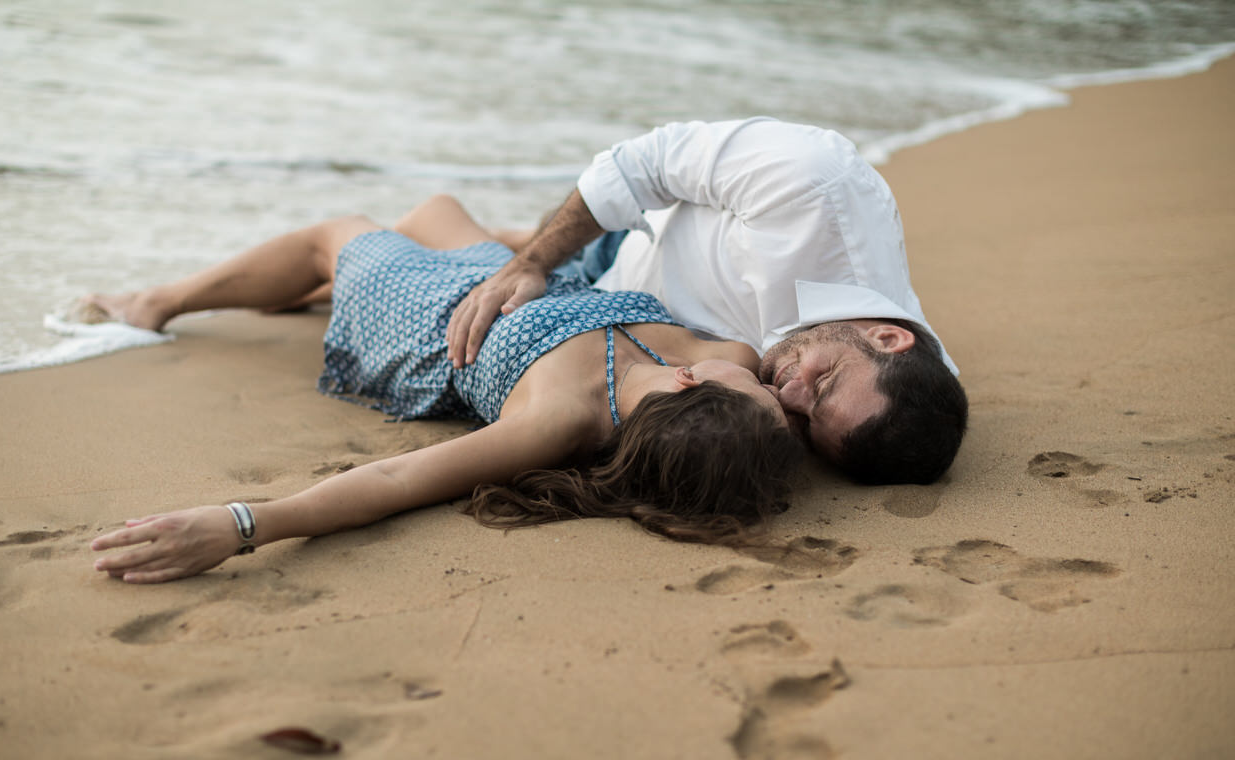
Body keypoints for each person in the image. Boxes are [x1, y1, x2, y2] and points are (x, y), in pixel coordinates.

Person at [85, 196, 803, 583]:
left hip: (431, 322)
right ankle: (326, 290)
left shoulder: (562, 417)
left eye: (764, 395)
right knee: (436, 208)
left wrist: (244, 524)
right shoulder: (727, 353)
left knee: (336, 230)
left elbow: (397, 476)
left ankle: (160, 301)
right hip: (515, 284)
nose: (775, 386)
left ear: (687, 384)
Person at [444, 118, 968, 485]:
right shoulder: (811, 186)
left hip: (616, 322)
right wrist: (532, 262)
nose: (787, 399)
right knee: (472, 243)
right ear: (887, 336)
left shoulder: (901, 410)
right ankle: (508, 236)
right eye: (823, 381)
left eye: (806, 427)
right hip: (621, 250)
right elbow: (637, 166)